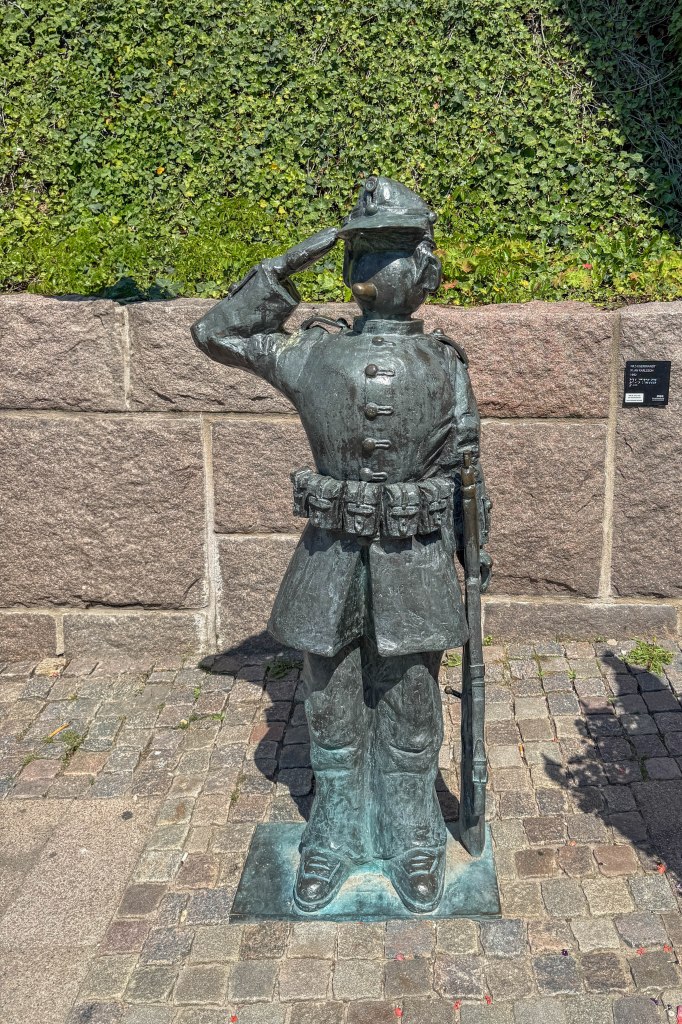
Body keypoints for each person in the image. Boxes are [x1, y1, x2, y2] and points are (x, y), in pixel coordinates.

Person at [191, 175, 492, 913]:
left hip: (415, 561)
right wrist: (287, 266)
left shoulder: (446, 364)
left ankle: (412, 832)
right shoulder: (314, 355)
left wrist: (472, 549)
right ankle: (334, 830)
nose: (387, 270)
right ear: (351, 267)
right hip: (329, 560)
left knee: (412, 702)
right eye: (370, 253)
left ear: (425, 270)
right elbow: (217, 333)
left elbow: (464, 468)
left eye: (399, 252)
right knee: (329, 702)